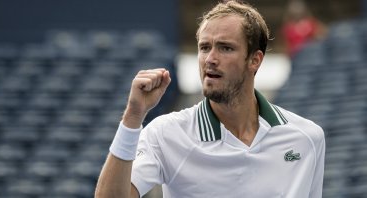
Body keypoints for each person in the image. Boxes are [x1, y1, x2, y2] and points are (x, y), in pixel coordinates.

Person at [95, 1, 326, 197]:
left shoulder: (308, 139)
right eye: (205, 47)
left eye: (225, 48)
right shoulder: (165, 133)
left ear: (255, 60)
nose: (210, 59)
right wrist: (133, 117)